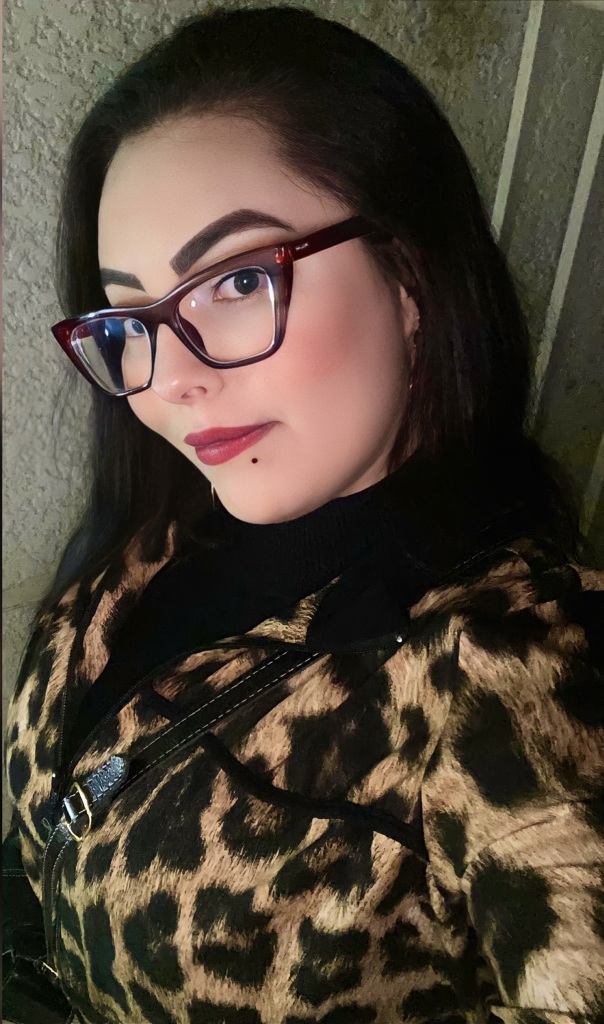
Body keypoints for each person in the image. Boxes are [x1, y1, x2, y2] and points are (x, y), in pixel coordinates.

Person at [4, 6, 603, 1024]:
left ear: (410, 277)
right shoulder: (159, 528)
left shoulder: (524, 670)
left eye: (238, 280)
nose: (169, 381)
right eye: (131, 318)